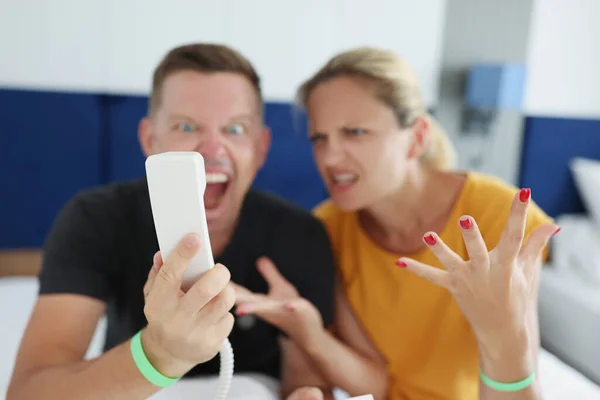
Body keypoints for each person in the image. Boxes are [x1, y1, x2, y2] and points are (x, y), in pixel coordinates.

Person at [7, 43, 336, 400]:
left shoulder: (300, 235)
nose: (212, 148)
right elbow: (28, 392)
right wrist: (160, 355)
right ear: (150, 139)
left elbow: (306, 385)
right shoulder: (96, 219)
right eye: (186, 126)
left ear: (261, 147)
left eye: (236, 129)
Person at [232, 47, 561, 400]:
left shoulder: (496, 217)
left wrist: (502, 336)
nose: (328, 157)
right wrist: (309, 333)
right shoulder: (327, 227)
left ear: (417, 137)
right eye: (319, 138)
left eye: (355, 132)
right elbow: (382, 385)